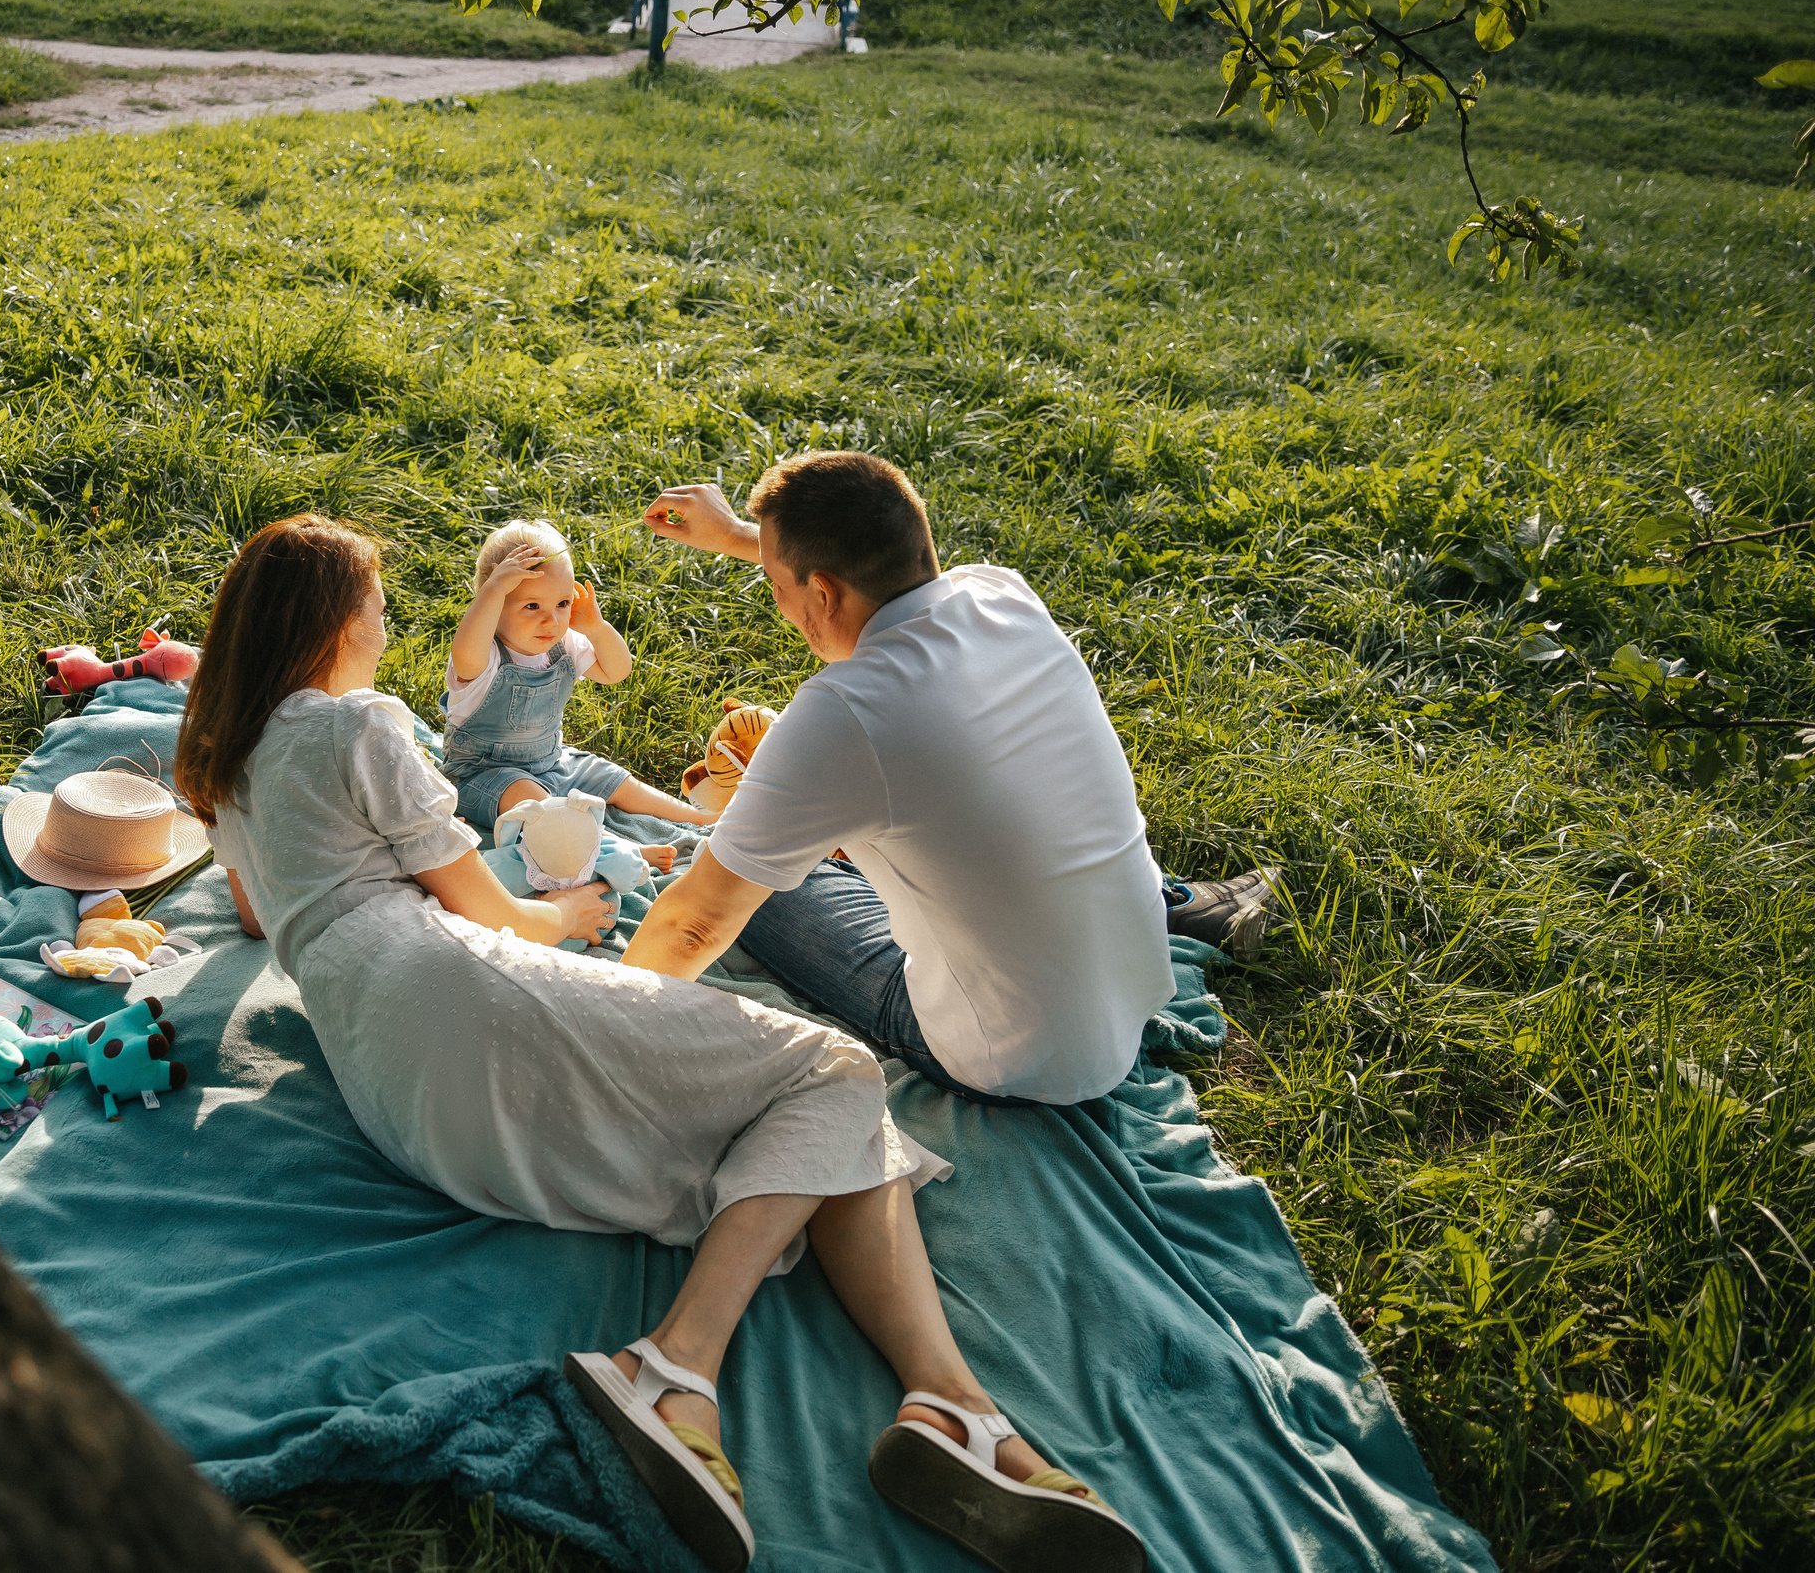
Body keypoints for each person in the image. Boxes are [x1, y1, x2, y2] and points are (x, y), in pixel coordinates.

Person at [176, 514, 1144, 1573]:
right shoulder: (356, 724)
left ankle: (957, 1412)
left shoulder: (225, 756)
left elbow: (269, 920)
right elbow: (497, 915)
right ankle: (672, 1368)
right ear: (330, 619)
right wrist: (582, 910)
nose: (384, 617)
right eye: (374, 599)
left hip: (391, 1082)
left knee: (835, 1125)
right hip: (459, 992)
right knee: (836, 1069)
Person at [625, 449, 1271, 1113]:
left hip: (1020, 1057)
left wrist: (584, 1020)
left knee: (744, 878)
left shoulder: (843, 714)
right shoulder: (1002, 593)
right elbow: (868, 573)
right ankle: (1182, 903)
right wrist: (742, 536)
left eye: (776, 585)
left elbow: (693, 927)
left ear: (822, 592)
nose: (778, 602)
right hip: (1129, 991)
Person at [441, 518, 711, 832]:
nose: (551, 620)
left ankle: (699, 819)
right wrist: (494, 589)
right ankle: (611, 850)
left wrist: (596, 628)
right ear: (492, 604)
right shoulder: (482, 654)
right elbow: (465, 653)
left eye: (562, 603)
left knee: (615, 779)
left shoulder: (564, 644)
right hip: (485, 776)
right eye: (532, 605)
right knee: (535, 804)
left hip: (552, 764)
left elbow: (616, 672)